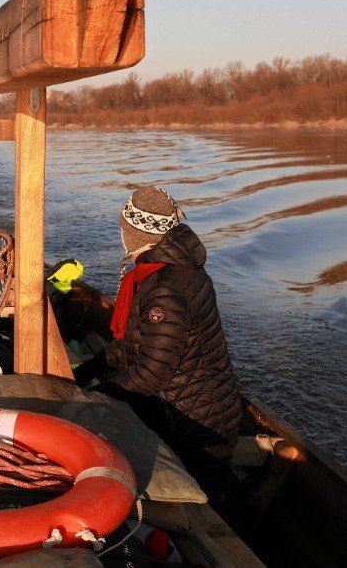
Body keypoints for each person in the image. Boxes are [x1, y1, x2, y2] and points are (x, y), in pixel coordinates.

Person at [72, 186, 242, 509]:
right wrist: (89, 369)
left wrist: (99, 394)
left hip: (200, 426)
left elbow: (150, 375)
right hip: (201, 410)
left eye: (124, 229)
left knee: (213, 505)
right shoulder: (167, 270)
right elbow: (134, 347)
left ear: (137, 235)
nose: (121, 235)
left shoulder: (165, 291)